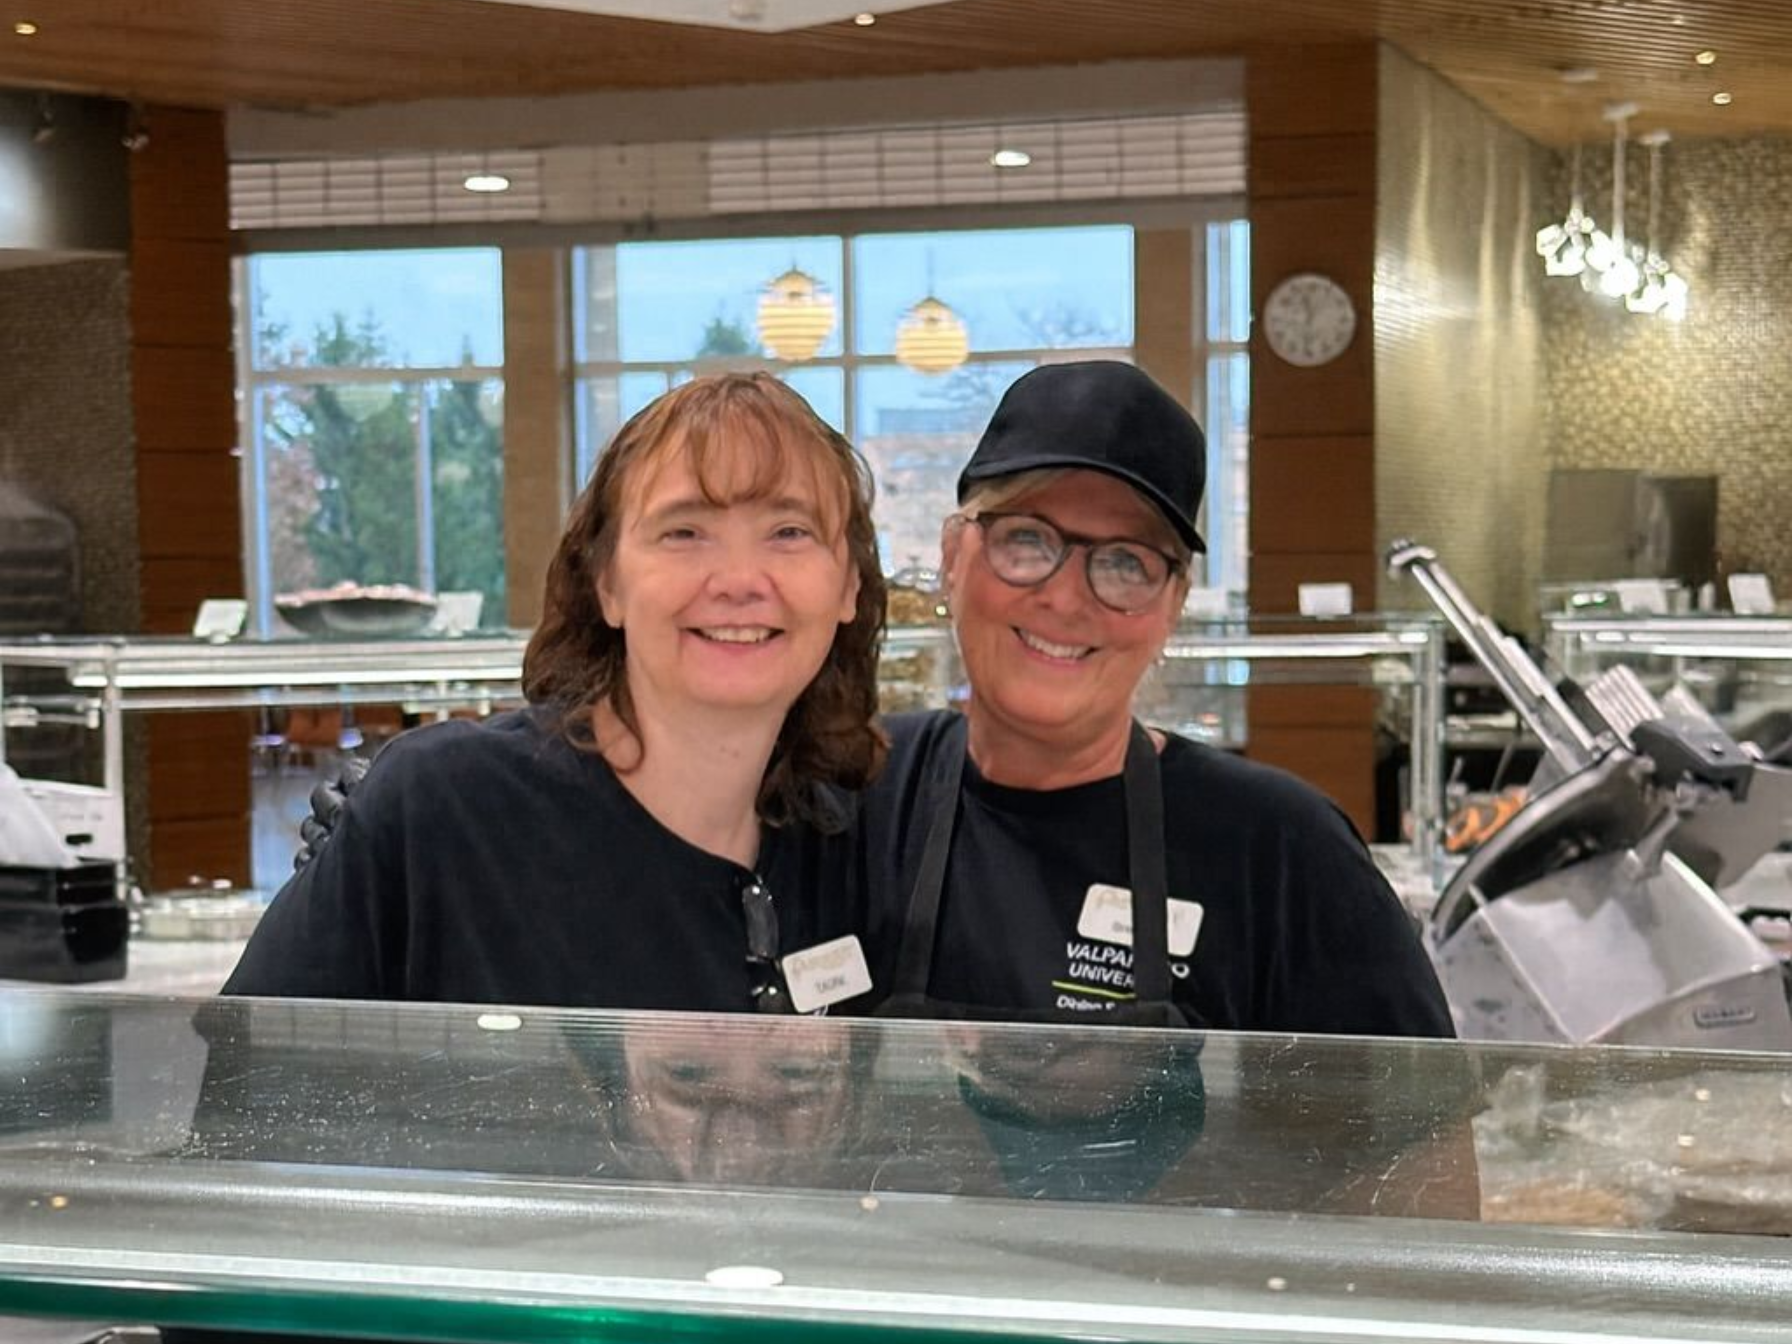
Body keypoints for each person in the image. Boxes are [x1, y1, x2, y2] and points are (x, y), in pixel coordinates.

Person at [224, 372, 886, 1011]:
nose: (740, 580)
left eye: (789, 533)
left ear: (849, 585)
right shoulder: (442, 811)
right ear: (607, 583)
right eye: (684, 532)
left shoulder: (852, 842)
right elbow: (241, 1066)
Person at [851, 360, 1457, 1037]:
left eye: (1125, 563)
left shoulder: (1283, 852)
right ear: (951, 556)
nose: (1066, 597)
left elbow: (1418, 1107)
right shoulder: (857, 798)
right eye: (1026, 539)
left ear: (1173, 606)